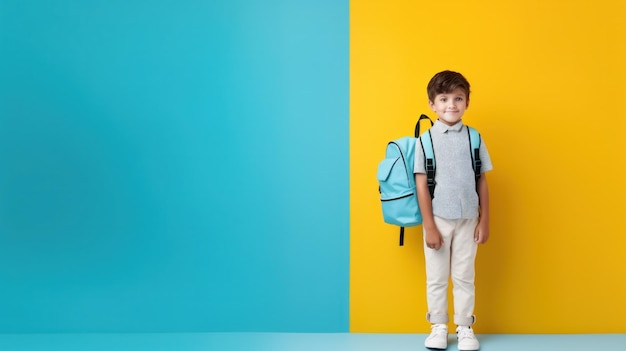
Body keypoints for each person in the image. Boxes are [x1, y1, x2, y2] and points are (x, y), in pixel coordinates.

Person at [414, 70, 493, 351]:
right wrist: (430, 226)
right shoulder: (425, 140)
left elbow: (481, 179)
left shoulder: (474, 138)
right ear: (432, 104)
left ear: (467, 102)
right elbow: (421, 184)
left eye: (458, 98)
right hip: (437, 219)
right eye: (444, 98)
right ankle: (438, 326)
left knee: (464, 275)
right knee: (436, 276)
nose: (451, 105)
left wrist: (485, 220)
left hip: (469, 220)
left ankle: (464, 327)